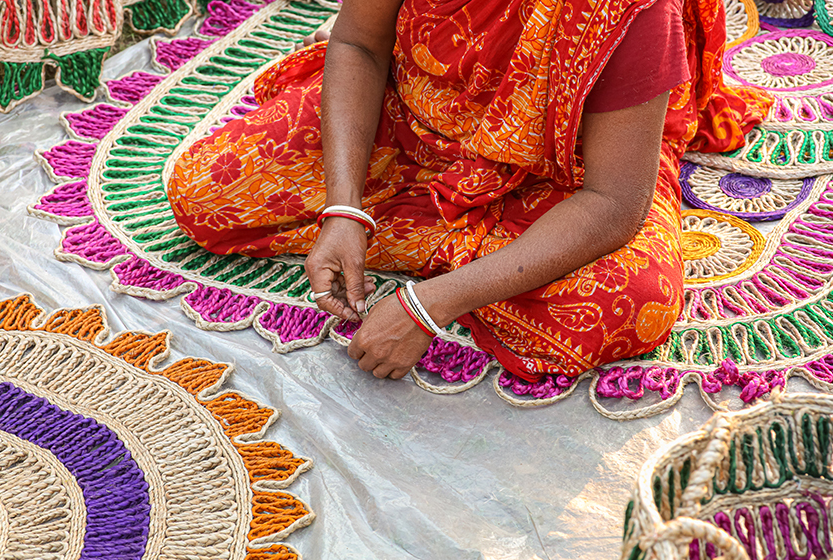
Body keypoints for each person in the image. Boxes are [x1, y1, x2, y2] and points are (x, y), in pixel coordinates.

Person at [167, 0, 772, 383]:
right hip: (409, 118)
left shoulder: (634, 11)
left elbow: (614, 203)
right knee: (207, 192)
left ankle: (462, 257)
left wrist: (430, 305)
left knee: (631, 300)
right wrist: (344, 207)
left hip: (556, 172)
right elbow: (357, 45)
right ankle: (486, 251)